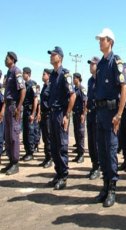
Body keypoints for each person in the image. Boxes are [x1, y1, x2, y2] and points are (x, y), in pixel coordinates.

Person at [94, 28, 126, 207]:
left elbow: (125, 88)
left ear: (110, 42)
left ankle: (113, 189)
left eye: (103, 39)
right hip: (100, 112)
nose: (100, 42)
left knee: (111, 150)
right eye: (99, 39)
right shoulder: (100, 64)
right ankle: (105, 186)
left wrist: (119, 114)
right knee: (102, 151)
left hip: (111, 113)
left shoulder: (116, 62)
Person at [47, 46, 76, 190]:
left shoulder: (65, 75)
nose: (51, 56)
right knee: (53, 146)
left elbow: (73, 96)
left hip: (60, 114)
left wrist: (67, 115)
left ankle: (64, 176)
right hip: (52, 113)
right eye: (51, 54)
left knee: (61, 146)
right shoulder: (52, 75)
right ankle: (58, 173)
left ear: (60, 57)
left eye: (54, 54)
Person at [0, 52, 26, 175]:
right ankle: (11, 161)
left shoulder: (17, 72)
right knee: (8, 136)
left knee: (14, 136)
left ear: (13, 60)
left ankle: (15, 163)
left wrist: (19, 107)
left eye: (7, 58)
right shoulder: (8, 73)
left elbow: (23, 90)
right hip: (8, 106)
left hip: (14, 106)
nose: (5, 60)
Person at [86, 56, 100, 180]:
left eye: (93, 64)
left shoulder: (100, 80)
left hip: (98, 113)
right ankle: (93, 165)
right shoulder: (90, 81)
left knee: (97, 142)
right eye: (90, 64)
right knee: (90, 142)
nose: (91, 66)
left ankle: (98, 167)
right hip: (90, 114)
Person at [21, 67, 38, 161]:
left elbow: (35, 99)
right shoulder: (25, 85)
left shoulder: (32, 85)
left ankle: (31, 153)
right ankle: (27, 151)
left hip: (30, 111)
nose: (23, 75)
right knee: (25, 133)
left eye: (24, 73)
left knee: (30, 132)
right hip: (25, 110)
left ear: (28, 74)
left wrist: (33, 113)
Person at [39, 69, 52, 168]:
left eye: (44, 74)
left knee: (48, 137)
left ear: (49, 75)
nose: (42, 76)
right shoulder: (44, 86)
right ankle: (46, 157)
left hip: (48, 114)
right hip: (43, 114)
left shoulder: (51, 87)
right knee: (44, 137)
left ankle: (50, 158)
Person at [72, 72, 86, 163]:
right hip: (75, 114)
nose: (73, 80)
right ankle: (78, 152)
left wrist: (83, 114)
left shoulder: (82, 89)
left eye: (74, 78)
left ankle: (81, 155)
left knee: (80, 134)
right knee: (76, 133)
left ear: (78, 78)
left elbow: (85, 102)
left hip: (80, 114)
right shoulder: (74, 89)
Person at [34, 84, 41, 152]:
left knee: (36, 129)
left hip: (37, 114)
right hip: (35, 113)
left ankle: (36, 145)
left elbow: (39, 104)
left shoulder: (38, 94)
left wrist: (38, 113)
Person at [0, 70, 5, 164]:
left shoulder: (2, 88)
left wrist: (2, 112)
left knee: (0, 137)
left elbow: (4, 101)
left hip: (0, 115)